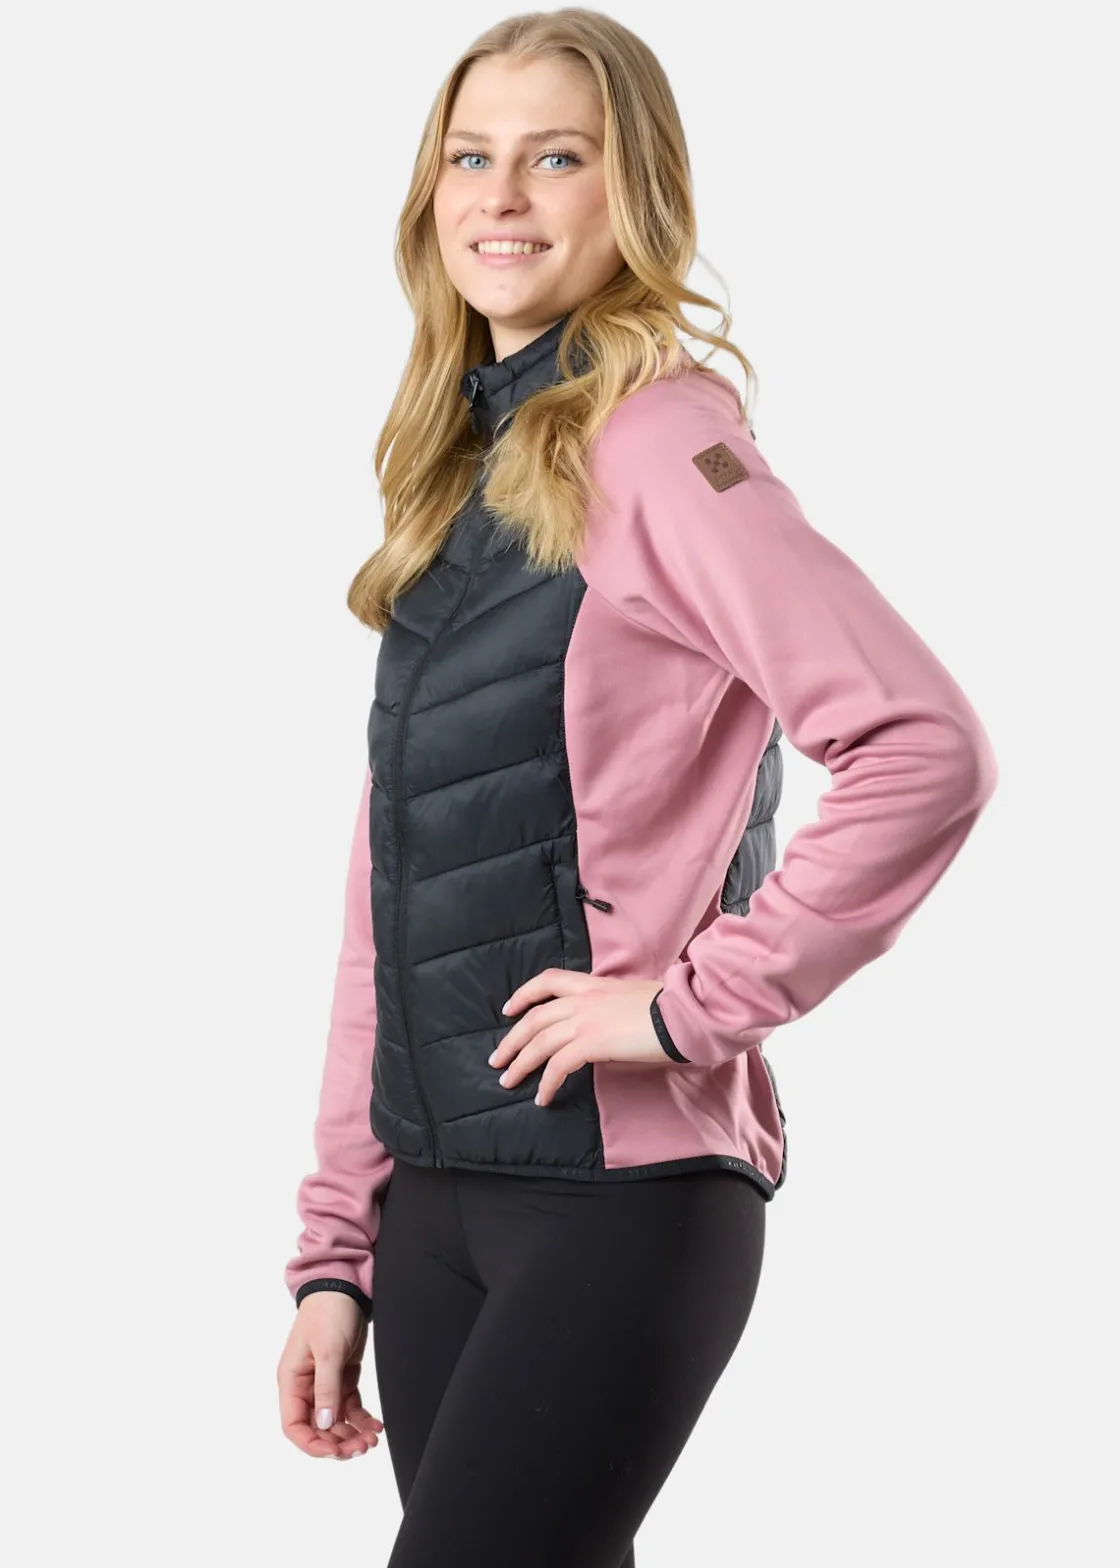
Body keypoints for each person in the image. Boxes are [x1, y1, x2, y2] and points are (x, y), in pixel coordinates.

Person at [276, 10, 999, 1566]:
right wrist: (338, 1244)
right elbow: (385, 900)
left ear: (637, 191)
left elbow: (921, 745)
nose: (502, 195)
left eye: (557, 157)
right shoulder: (460, 471)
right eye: (470, 157)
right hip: (436, 1201)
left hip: (617, 1196)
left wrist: (685, 1007)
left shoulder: (662, 444)